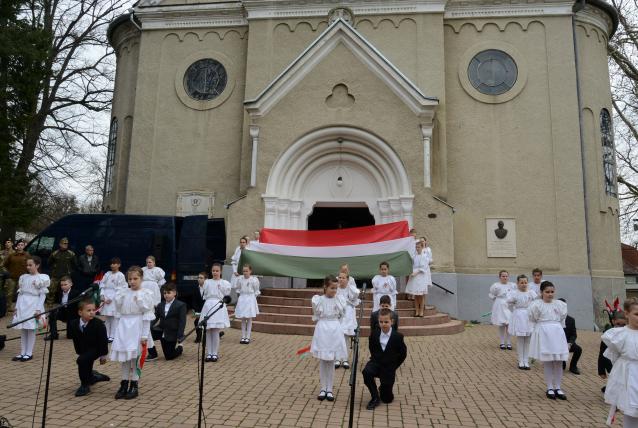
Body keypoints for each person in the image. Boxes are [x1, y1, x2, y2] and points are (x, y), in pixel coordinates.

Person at [110, 265, 155, 400]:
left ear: (141, 278)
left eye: (135, 278)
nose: (132, 281)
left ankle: (134, 385)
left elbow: (147, 316)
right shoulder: (123, 293)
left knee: (135, 358)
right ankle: (124, 384)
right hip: (124, 327)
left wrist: (144, 335)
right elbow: (118, 313)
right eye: (130, 279)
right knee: (125, 358)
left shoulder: (146, 294)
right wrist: (117, 331)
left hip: (137, 326)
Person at [529, 281, 569, 400]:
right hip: (544, 332)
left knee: (558, 361)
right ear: (541, 292)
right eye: (547, 292)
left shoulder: (560, 305)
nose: (550, 294)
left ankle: (558, 387)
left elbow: (562, 318)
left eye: (552, 292)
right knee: (548, 360)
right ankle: (550, 387)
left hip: (557, 332)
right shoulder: (536, 305)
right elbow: (533, 317)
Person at [602, 297, 638, 427]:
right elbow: (615, 356)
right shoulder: (619, 334)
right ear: (627, 314)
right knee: (631, 408)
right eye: (636, 314)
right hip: (629, 374)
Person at [311, 275, 347, 402]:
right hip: (322, 329)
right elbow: (317, 314)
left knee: (331, 360)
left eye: (336, 288)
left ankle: (330, 389)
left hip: (334, 329)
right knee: (323, 360)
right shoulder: (318, 300)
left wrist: (336, 324)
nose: (334, 291)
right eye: (332, 288)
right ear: (325, 287)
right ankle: (323, 388)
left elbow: (342, 315)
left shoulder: (339, 300)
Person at [363, 308, 407, 410]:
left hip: (389, 367)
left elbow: (403, 354)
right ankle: (375, 397)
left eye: (386, 322)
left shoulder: (398, 337)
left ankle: (383, 388)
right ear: (378, 322)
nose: (383, 324)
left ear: (392, 322)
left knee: (387, 399)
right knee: (366, 372)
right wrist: (375, 360)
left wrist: (393, 366)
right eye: (381, 322)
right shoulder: (374, 334)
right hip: (376, 362)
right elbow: (372, 348)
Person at [67, 299, 110, 396]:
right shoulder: (73, 323)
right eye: (88, 310)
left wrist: (103, 355)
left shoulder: (98, 324)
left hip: (96, 349)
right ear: (80, 312)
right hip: (83, 349)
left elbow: (103, 340)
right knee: (85, 360)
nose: (92, 313)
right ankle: (93, 377)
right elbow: (76, 340)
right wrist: (79, 352)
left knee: (81, 360)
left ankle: (84, 385)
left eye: (93, 310)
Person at [11, 256, 49, 362]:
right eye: (27, 265)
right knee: (23, 328)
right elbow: (20, 293)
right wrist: (17, 307)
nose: (28, 267)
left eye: (30, 265)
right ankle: (22, 352)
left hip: (33, 303)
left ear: (37, 265)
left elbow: (42, 295)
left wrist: (38, 309)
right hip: (23, 304)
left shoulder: (42, 278)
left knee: (31, 328)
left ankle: (29, 353)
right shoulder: (23, 277)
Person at [201, 263, 231, 362]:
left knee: (215, 331)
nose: (215, 272)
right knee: (208, 330)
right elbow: (203, 294)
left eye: (217, 271)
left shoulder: (224, 283)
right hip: (208, 305)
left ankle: (215, 353)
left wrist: (220, 287)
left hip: (218, 305)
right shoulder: (207, 282)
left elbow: (226, 294)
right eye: (213, 271)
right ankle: (209, 353)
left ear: (221, 271)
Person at [506, 274, 536, 369]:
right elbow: (509, 303)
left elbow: (536, 303)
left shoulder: (531, 293)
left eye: (525, 282)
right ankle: (520, 361)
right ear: (517, 283)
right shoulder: (514, 293)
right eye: (521, 282)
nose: (524, 284)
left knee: (527, 339)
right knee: (520, 339)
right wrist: (513, 301)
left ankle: (526, 361)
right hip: (519, 315)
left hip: (529, 316)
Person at [151, 283, 186, 360]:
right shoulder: (160, 305)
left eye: (168, 293)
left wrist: (180, 335)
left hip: (172, 332)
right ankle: (153, 354)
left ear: (174, 293)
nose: (166, 295)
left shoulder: (181, 305)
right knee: (146, 335)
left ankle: (180, 348)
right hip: (160, 330)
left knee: (169, 356)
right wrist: (148, 326)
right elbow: (155, 317)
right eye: (164, 293)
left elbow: (182, 321)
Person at [335, 271, 360, 369]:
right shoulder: (336, 288)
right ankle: (337, 358)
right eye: (340, 278)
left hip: (347, 314)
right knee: (337, 335)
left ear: (347, 279)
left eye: (343, 278)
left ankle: (344, 359)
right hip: (337, 313)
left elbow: (354, 299)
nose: (341, 279)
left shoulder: (350, 288)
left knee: (344, 336)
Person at [99, 257, 127, 342]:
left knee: (114, 317)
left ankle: (113, 335)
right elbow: (102, 284)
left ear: (119, 265)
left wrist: (112, 298)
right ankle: (107, 334)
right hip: (106, 296)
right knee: (107, 317)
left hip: (114, 298)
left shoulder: (120, 275)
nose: (112, 265)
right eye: (111, 263)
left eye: (114, 263)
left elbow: (121, 288)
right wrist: (102, 295)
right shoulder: (107, 274)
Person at [45, 275, 80, 341]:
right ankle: (54, 334)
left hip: (73, 315)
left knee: (70, 336)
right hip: (64, 312)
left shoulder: (76, 293)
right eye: (62, 285)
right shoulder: (59, 293)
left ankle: (72, 330)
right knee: (52, 314)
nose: (63, 287)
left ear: (71, 284)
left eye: (65, 284)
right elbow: (57, 303)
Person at [599, 310, 627, 393]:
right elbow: (602, 353)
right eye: (618, 324)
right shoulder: (609, 335)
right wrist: (601, 370)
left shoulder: (628, 334)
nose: (620, 327)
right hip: (610, 362)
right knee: (615, 377)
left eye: (623, 325)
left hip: (624, 363)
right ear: (613, 321)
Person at [234, 264, 260, 344]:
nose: (245, 272)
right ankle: (243, 336)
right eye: (244, 271)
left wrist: (251, 298)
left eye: (246, 271)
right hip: (242, 299)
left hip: (250, 299)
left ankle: (247, 337)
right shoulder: (240, 279)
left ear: (250, 271)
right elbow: (238, 288)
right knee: (243, 318)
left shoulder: (254, 280)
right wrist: (241, 297)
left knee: (249, 318)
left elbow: (256, 291)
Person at [47, 237, 77, 305]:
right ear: (60, 244)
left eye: (67, 243)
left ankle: (63, 304)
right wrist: (54, 269)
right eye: (64, 243)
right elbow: (49, 263)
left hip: (66, 276)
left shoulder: (71, 254)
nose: (66, 245)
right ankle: (49, 304)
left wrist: (70, 271)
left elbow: (75, 264)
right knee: (51, 290)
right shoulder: (55, 253)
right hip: (55, 275)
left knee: (65, 291)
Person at [489, 270, 514, 350]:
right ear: (500, 277)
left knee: (509, 323)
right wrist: (497, 299)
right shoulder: (496, 285)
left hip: (508, 305)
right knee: (502, 323)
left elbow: (514, 294)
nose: (505, 277)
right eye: (503, 276)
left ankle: (509, 342)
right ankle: (502, 342)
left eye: (506, 276)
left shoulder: (512, 285)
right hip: (500, 304)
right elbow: (492, 294)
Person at [3, 239, 30, 311]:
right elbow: (4, 265)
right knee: (9, 294)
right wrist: (7, 273)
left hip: (22, 278)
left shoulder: (27, 255)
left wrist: (29, 275)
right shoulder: (12, 255)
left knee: (21, 294)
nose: (20, 246)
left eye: (22, 245)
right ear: (16, 246)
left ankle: (20, 308)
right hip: (11, 278)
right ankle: (8, 308)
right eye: (19, 245)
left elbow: (30, 265)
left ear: (24, 246)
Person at [557, 298, 582, 375]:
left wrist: (570, 343)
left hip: (568, 343)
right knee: (561, 367)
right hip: (557, 344)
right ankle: (562, 361)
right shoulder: (553, 319)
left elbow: (574, 334)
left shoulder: (571, 320)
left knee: (578, 349)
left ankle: (573, 366)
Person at [141, 271, 162, 361]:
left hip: (147, 311)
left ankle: (152, 353)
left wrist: (155, 304)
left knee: (146, 332)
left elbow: (156, 295)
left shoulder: (153, 284)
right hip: (137, 314)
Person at [405, 241, 429, 317]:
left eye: (418, 247)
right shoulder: (414, 256)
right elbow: (411, 263)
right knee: (415, 295)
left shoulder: (424, 256)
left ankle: (421, 311)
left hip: (420, 276)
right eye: (416, 247)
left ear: (422, 247)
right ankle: (417, 311)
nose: (417, 248)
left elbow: (423, 267)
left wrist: (416, 272)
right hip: (414, 277)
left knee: (420, 295)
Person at [192, 271, 207, 343]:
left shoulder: (208, 289)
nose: (199, 279)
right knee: (197, 322)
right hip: (198, 310)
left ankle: (208, 336)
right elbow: (194, 300)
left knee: (207, 324)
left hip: (207, 310)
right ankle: (198, 336)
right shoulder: (195, 288)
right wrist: (196, 310)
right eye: (198, 277)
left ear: (205, 279)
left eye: (201, 278)